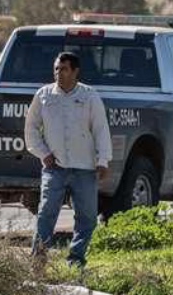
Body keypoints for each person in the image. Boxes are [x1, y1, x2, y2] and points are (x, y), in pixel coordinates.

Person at [25, 51, 112, 267]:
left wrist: (103, 160)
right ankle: (38, 261)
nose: (58, 73)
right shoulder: (44, 95)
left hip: (85, 168)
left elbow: (101, 129)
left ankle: (76, 260)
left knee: (87, 218)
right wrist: (43, 153)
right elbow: (31, 128)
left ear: (75, 71)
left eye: (63, 69)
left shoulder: (90, 96)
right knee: (46, 214)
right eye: (56, 69)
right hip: (55, 167)